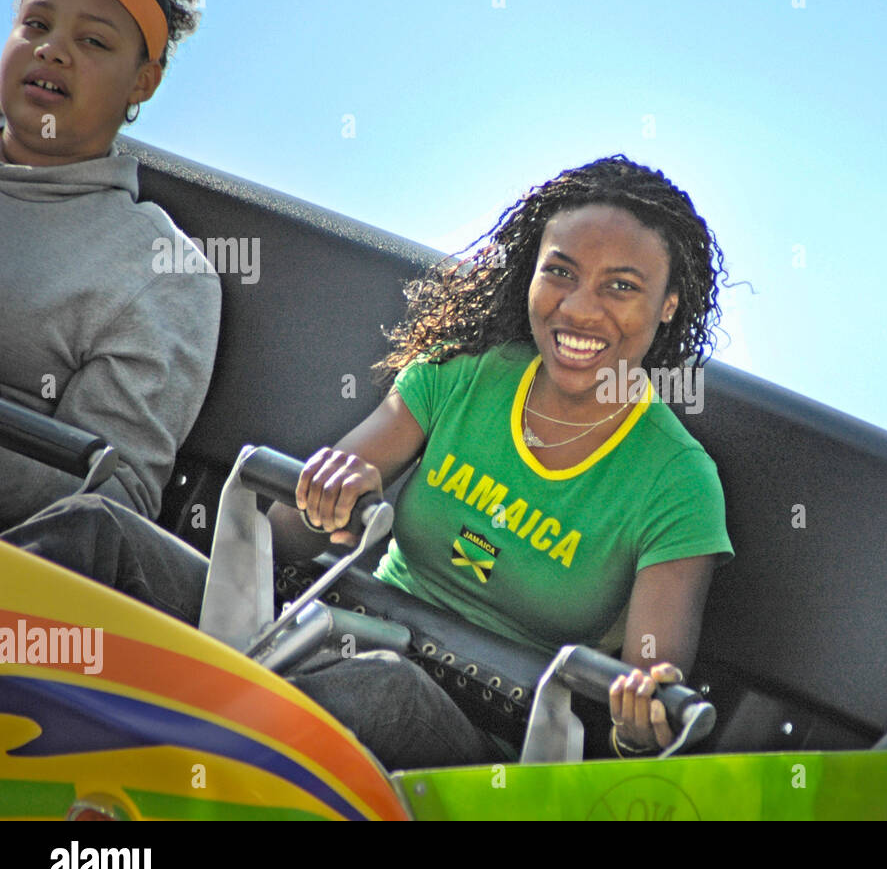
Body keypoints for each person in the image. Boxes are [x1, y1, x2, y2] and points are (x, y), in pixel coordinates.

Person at [3, 155, 733, 768]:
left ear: (669, 305)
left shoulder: (677, 479)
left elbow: (645, 681)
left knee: (383, 688)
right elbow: (289, 531)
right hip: (322, 637)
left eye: (621, 287)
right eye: (561, 273)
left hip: (475, 736)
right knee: (97, 529)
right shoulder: (464, 374)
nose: (578, 309)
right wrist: (330, 497)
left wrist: (641, 720)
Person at [0, 0, 220, 529]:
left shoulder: (163, 272)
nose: (52, 51)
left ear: (143, 81)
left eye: (93, 41)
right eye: (36, 25)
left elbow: (105, 509)